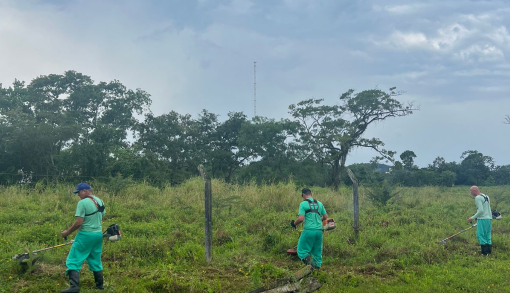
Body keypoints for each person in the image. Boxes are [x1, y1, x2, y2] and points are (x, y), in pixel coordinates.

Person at [60, 183, 105, 292]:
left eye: (79, 193)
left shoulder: (82, 203)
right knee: (95, 259)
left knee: (73, 259)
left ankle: (74, 287)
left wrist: (67, 232)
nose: (78, 195)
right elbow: (102, 216)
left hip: (85, 235)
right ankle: (100, 286)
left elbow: (79, 222)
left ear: (85, 191)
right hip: (98, 234)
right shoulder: (100, 201)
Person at [291, 188, 328, 268]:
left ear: (303, 194)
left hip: (309, 231)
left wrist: (294, 224)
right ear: (311, 194)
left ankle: (309, 267)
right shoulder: (319, 204)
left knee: (301, 250)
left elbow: (301, 218)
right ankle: (316, 269)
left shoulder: (303, 204)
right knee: (317, 252)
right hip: (319, 231)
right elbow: (325, 217)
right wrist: (318, 220)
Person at [467, 185, 492, 256]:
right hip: (489, 219)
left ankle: (484, 253)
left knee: (480, 235)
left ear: (474, 190)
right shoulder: (486, 196)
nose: (470, 193)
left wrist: (472, 217)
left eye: (471, 191)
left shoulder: (477, 198)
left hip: (482, 219)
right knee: (487, 235)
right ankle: (489, 252)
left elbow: (480, 210)